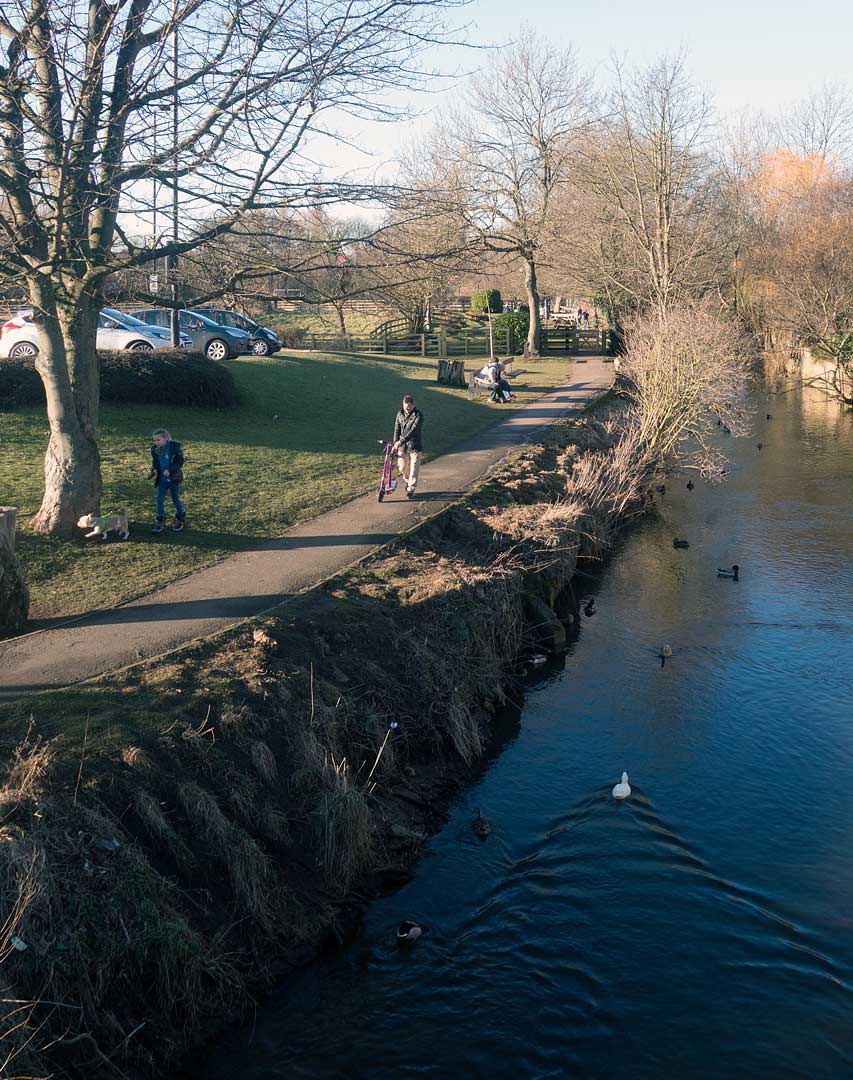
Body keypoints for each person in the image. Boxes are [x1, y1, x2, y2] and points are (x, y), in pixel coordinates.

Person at [148, 427, 186, 532]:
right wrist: (154, 470)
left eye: (158, 440)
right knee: (159, 499)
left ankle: (180, 517)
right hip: (162, 480)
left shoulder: (174, 448)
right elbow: (155, 462)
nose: (156, 442)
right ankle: (160, 519)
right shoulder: (155, 450)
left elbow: (180, 462)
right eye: (154, 440)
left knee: (175, 498)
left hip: (174, 479)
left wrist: (170, 470)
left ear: (165, 439)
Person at [392, 395, 423, 498]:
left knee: (414, 468)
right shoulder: (399, 414)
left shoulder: (418, 415)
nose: (407, 408)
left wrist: (400, 441)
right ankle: (408, 481)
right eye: (405, 406)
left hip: (415, 446)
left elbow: (413, 431)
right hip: (402, 446)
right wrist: (395, 444)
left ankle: (411, 489)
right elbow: (397, 430)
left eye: (409, 406)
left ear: (414, 405)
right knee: (402, 467)